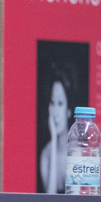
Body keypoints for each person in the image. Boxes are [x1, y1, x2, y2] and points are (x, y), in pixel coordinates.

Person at [38, 61, 78, 194]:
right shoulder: (46, 154)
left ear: (69, 110)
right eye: (52, 102)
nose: (55, 112)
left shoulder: (79, 152)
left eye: (60, 103)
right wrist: (54, 140)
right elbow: (49, 200)